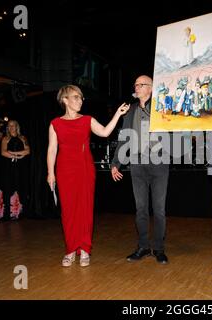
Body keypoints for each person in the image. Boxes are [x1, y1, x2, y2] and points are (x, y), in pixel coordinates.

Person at [47, 84, 129, 267]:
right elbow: (52, 149)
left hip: (84, 168)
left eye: (81, 97)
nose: (80, 100)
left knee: (84, 208)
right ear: (65, 100)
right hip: (64, 170)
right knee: (68, 211)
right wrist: (50, 173)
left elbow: (105, 132)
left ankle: (84, 249)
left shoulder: (87, 120)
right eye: (76, 97)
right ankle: (70, 250)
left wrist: (117, 114)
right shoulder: (55, 123)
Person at [111, 75, 170, 264]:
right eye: (135, 84)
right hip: (137, 164)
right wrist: (115, 163)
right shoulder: (130, 110)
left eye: (140, 84)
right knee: (141, 209)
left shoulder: (161, 107)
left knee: (159, 210)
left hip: (159, 163)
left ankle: (159, 249)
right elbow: (124, 138)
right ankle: (143, 247)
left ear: (151, 88)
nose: (136, 87)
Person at [0, 120, 30, 221]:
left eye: (13, 125)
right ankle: (7, 213)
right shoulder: (5, 139)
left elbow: (28, 151)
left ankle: (19, 213)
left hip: (20, 167)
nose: (11, 127)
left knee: (20, 186)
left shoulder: (23, 138)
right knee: (8, 187)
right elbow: (3, 152)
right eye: (9, 126)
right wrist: (18, 155)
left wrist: (14, 154)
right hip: (8, 167)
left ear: (17, 126)